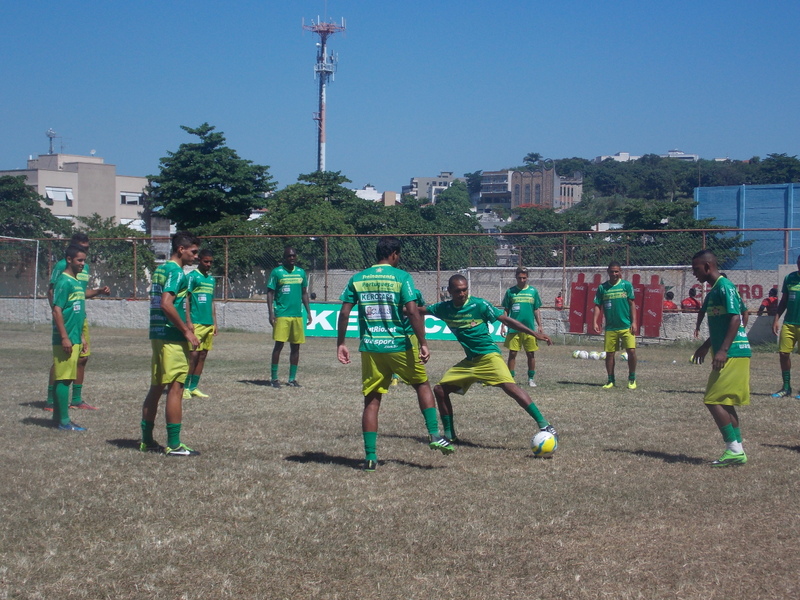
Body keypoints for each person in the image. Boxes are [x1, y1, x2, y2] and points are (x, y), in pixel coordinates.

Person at [336, 236, 454, 472]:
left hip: (371, 347)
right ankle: (433, 435)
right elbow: (412, 311)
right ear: (394, 254)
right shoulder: (401, 277)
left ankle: (370, 458)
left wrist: (341, 342)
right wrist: (423, 342)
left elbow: (345, 312)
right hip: (399, 345)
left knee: (371, 400)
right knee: (421, 384)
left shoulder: (357, 278)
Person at [421, 274, 557, 445]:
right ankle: (450, 436)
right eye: (458, 291)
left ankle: (545, 425)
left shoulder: (479, 304)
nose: (462, 294)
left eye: (464, 290)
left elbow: (506, 320)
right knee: (440, 390)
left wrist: (534, 332)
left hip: (488, 356)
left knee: (510, 387)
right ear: (449, 291)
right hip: (470, 361)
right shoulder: (443, 308)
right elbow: (417, 311)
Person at [139, 231, 201, 457]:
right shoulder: (176, 272)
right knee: (176, 387)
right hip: (171, 337)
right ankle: (174, 444)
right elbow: (167, 304)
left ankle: (146, 440)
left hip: (157, 334)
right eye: (193, 252)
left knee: (156, 387)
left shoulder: (161, 269)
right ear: (181, 249)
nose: (195, 256)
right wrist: (186, 330)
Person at [690, 250, 750, 467]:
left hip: (733, 352)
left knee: (713, 400)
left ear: (707, 266)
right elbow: (727, 321)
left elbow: (736, 317)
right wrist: (707, 346)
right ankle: (738, 450)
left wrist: (723, 349)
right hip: (730, 351)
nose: (694, 274)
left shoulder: (724, 287)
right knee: (724, 402)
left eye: (696, 269)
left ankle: (733, 449)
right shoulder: (716, 289)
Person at [45, 232, 110, 411]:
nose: (83, 253)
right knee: (62, 359)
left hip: (79, 318)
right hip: (65, 319)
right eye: (81, 249)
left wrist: (98, 291)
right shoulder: (61, 266)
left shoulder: (84, 268)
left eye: (86, 249)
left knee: (82, 357)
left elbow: (80, 293)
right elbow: (52, 292)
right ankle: (52, 401)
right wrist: (59, 315)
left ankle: (76, 399)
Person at [50, 245, 90, 431]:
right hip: (65, 338)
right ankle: (64, 421)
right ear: (69, 259)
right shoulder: (64, 281)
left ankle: (58, 418)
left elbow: (77, 313)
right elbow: (57, 310)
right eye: (79, 260)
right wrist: (65, 337)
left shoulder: (75, 281)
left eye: (84, 260)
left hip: (75, 336)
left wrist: (80, 336)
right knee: (65, 379)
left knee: (64, 378)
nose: (83, 264)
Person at [266, 247, 311, 388]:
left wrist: (308, 312)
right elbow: (270, 293)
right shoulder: (277, 272)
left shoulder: (301, 272)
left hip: (297, 315)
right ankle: (274, 378)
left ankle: (292, 379)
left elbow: (304, 293)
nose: (292, 258)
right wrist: (271, 313)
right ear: (284, 257)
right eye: (289, 256)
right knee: (278, 346)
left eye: (293, 256)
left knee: (296, 347)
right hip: (282, 314)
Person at [592, 262, 638, 390]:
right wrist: (595, 321)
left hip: (626, 325)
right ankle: (610, 380)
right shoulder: (603, 288)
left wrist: (634, 322)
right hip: (611, 327)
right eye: (612, 271)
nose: (614, 274)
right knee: (610, 354)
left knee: (632, 351)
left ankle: (632, 378)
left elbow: (632, 304)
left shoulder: (626, 285)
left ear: (620, 272)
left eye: (616, 271)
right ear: (608, 272)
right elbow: (597, 305)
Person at [500, 267, 543, 387]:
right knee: (512, 353)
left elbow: (536, 309)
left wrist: (540, 325)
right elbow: (506, 310)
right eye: (519, 278)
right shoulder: (510, 291)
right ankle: (510, 378)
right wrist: (503, 325)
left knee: (530, 354)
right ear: (516, 277)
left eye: (524, 277)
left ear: (527, 277)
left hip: (529, 329)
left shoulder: (533, 291)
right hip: (514, 328)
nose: (522, 280)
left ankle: (531, 378)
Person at [184, 249, 217, 399]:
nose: (209, 264)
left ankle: (193, 387)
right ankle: (183, 387)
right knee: (193, 355)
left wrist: (215, 322)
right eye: (206, 261)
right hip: (196, 322)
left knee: (203, 355)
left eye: (211, 262)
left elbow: (212, 302)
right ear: (200, 261)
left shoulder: (211, 279)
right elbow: (186, 299)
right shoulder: (192, 277)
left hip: (208, 323)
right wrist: (188, 321)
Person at [770, 256, 800, 398]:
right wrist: (776, 319)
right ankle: (786, 387)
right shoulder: (790, 278)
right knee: (783, 354)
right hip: (789, 323)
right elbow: (784, 301)